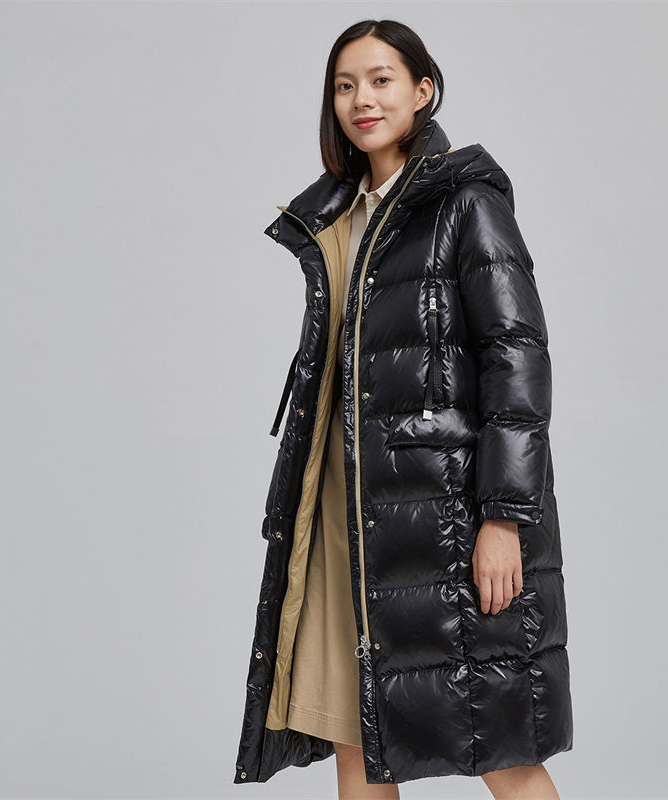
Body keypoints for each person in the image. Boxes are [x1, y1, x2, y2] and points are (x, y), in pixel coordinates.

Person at [234, 19, 572, 800]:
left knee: (498, 743)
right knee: (356, 733)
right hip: (344, 516)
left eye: (381, 80)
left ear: (423, 91)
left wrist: (504, 518)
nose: (362, 99)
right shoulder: (337, 216)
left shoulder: (466, 204)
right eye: (345, 85)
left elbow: (517, 361)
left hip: (442, 516)